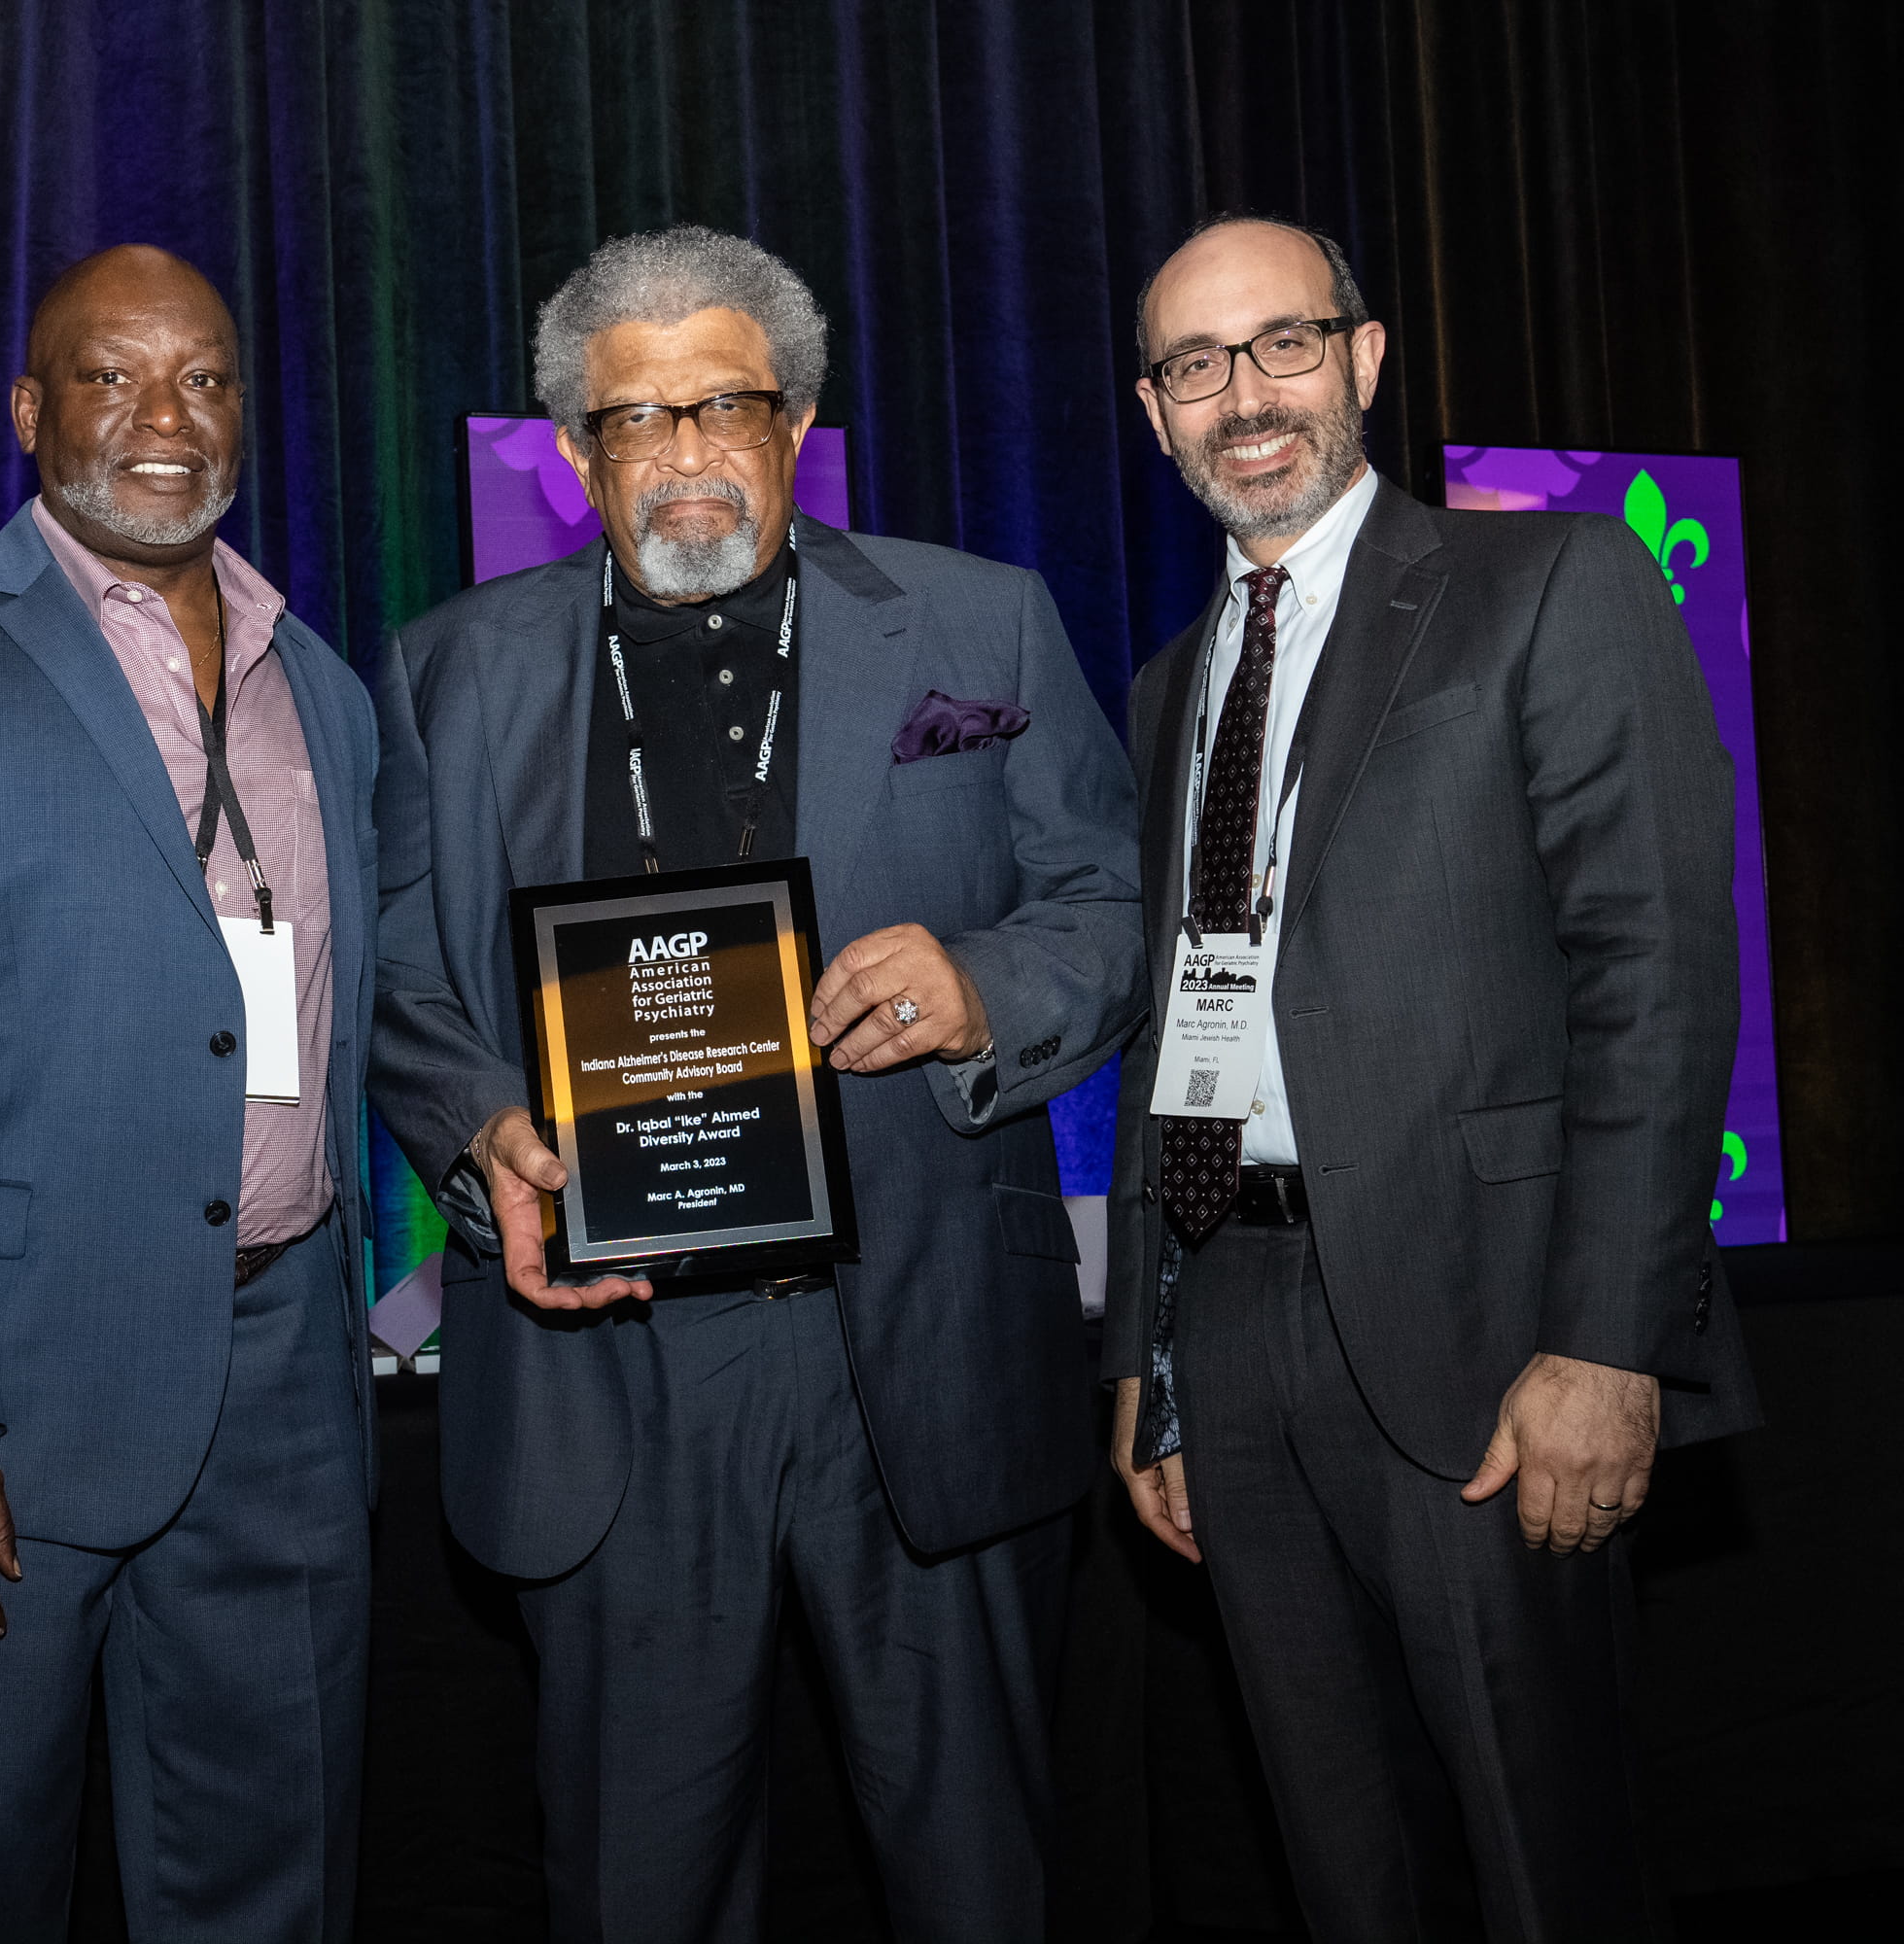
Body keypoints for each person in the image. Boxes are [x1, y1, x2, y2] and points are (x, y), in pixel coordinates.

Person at [371, 225, 1146, 1942]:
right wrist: (482, 1131)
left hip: (927, 1348)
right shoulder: (448, 669)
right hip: (616, 1367)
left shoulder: (981, 622)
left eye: (728, 406)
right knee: (638, 1891)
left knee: (977, 1882)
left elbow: (1112, 903)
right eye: (638, 420)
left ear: (798, 422)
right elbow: (403, 988)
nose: (690, 454)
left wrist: (983, 987)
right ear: (575, 453)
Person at [1103, 213, 1757, 1938]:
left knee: (1551, 1858)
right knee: (1342, 1868)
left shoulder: (1547, 583)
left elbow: (1662, 979)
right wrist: (1154, 1357)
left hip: (1488, 1337)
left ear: (1366, 359)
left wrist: (1609, 1340)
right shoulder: (1169, 686)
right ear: (1153, 413)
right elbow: (1178, 1021)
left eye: (1283, 346)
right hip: (1233, 1332)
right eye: (1196, 366)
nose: (1243, 398)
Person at [0, 245, 380, 1943]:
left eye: (202, 377)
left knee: (274, 1890)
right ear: (32, 412)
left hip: (285, 1400)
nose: (166, 417)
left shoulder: (319, 684)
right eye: (113, 378)